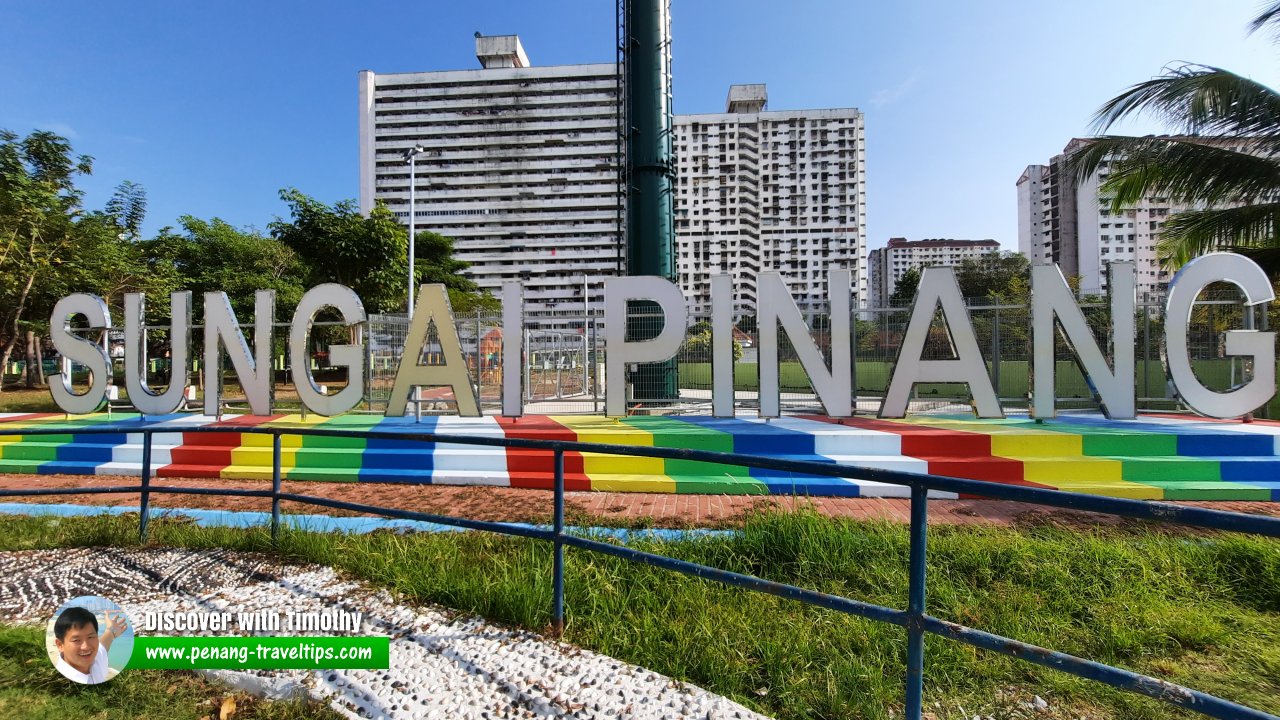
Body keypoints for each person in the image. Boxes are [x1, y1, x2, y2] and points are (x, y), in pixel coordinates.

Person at [52, 606, 126, 684]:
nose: (86, 647)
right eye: (76, 640)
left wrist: (111, 631)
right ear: (60, 645)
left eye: (90, 637)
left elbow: (103, 645)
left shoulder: (95, 659)